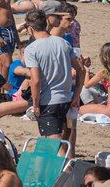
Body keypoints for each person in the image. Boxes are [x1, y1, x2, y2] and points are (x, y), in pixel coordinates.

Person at [23, 10, 84, 154]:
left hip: (48, 101)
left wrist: (35, 105)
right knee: (58, 142)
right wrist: (76, 95)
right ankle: (60, 173)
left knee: (54, 144)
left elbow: (35, 80)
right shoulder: (63, 42)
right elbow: (81, 70)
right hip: (66, 99)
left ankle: (64, 176)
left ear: (30, 28)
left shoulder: (32, 49)